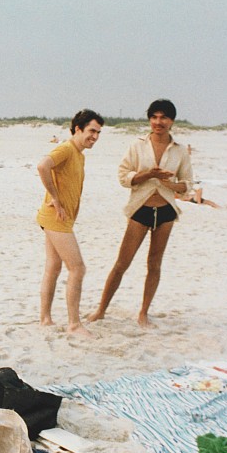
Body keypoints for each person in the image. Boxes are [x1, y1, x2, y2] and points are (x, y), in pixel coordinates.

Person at [87, 99, 193, 328]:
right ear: (149, 119)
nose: (158, 122)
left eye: (164, 117)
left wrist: (171, 184)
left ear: (172, 121)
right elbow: (123, 176)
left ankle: (143, 313)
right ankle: (101, 310)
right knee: (122, 263)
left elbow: (187, 184)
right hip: (140, 209)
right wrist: (146, 175)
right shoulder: (137, 146)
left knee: (154, 264)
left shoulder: (180, 150)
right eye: (154, 117)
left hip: (165, 211)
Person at [36, 109, 104, 338]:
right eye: (92, 131)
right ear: (78, 129)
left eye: (98, 132)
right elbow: (42, 165)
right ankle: (74, 324)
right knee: (77, 268)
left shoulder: (79, 154)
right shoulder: (66, 148)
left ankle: (45, 319)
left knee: (53, 268)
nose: (95, 136)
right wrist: (54, 198)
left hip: (59, 219)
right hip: (56, 219)